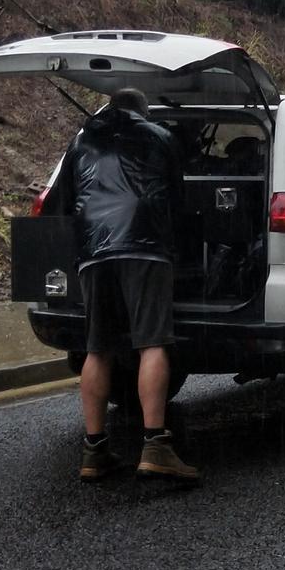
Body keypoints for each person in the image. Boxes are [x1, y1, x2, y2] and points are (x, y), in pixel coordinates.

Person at [60, 87, 198, 483]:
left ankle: (94, 450)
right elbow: (178, 198)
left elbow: (68, 200)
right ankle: (155, 446)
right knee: (152, 342)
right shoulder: (160, 137)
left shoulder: (82, 140)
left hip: (92, 250)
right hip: (144, 247)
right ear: (143, 110)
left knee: (97, 348)